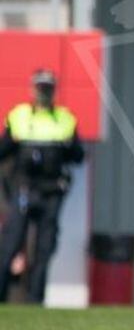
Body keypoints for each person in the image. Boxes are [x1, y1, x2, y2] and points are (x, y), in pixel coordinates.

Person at [0, 70, 84, 304]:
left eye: (48, 88)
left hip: (51, 192)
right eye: (40, 87)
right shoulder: (19, 116)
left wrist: (68, 147)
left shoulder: (65, 119)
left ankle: (35, 300)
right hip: (24, 189)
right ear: (32, 89)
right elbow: (3, 151)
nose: (43, 92)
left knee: (44, 248)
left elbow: (78, 156)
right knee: (11, 243)